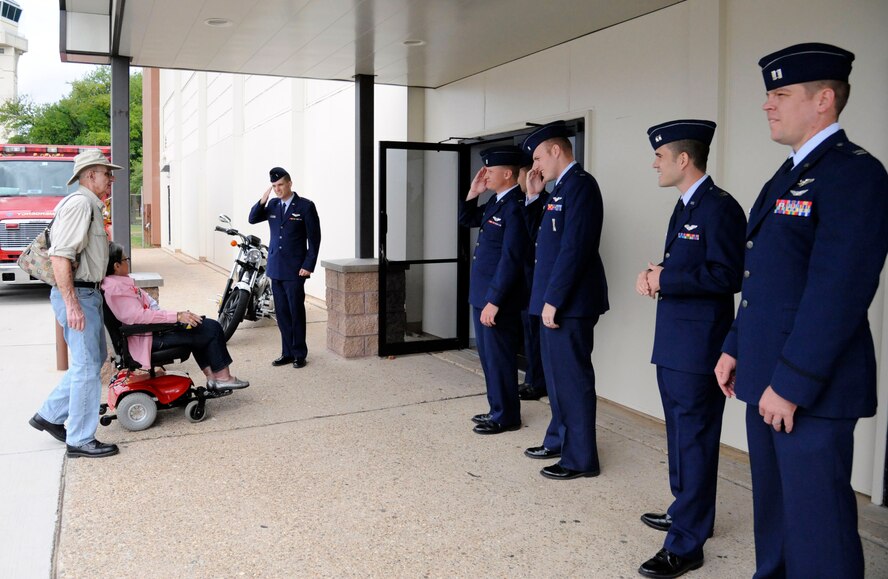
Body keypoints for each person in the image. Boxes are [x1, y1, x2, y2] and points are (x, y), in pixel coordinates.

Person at [714, 43, 888, 578]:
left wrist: (791, 383)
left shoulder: (854, 174)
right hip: (766, 375)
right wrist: (735, 347)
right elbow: (764, 278)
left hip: (808, 386)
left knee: (818, 526)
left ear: (824, 100)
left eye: (781, 94)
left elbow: (838, 290)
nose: (768, 105)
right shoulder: (787, 175)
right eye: (769, 95)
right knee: (777, 514)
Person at [634, 120, 746, 578]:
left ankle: (686, 544)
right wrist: (656, 273)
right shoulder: (686, 206)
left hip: (700, 347)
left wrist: (668, 279)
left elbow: (728, 275)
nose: (654, 163)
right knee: (681, 437)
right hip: (675, 342)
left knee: (695, 440)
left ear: (683, 160)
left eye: (660, 156)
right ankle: (688, 512)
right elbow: (688, 265)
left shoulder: (719, 208)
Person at [522, 120, 609, 479]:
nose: (537, 165)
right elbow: (540, 242)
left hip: (569, 304)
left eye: (539, 157)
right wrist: (532, 197)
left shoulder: (582, 187)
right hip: (554, 301)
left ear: (557, 150)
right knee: (557, 380)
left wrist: (553, 300)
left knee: (572, 381)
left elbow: (575, 249)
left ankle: (580, 459)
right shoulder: (559, 191)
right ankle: (559, 439)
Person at [28, 149, 121, 458]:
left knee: (91, 362)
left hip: (86, 293)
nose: (111, 178)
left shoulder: (90, 205)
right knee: (85, 368)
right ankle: (80, 439)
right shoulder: (81, 204)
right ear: (89, 175)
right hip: (78, 294)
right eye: (107, 173)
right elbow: (60, 256)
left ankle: (50, 415)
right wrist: (72, 304)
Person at [102, 242, 249, 390]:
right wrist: (176, 317)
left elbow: (147, 306)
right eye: (125, 259)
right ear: (116, 266)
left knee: (196, 324)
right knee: (212, 328)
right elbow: (138, 316)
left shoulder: (118, 283)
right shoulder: (115, 288)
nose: (128, 261)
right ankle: (223, 378)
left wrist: (177, 317)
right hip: (145, 338)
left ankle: (213, 378)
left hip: (147, 333)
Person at [460, 146, 531, 435]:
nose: (485, 174)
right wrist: (473, 191)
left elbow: (511, 258)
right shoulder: (495, 201)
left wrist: (494, 300)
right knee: (489, 357)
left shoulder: (516, 205)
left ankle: (506, 416)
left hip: (497, 298)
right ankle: (497, 408)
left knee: (500, 358)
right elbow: (466, 219)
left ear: (507, 174)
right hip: (483, 294)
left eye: (489, 171)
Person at [248, 167, 321, 369]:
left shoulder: (305, 206)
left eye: (280, 184)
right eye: (274, 186)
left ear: (290, 183)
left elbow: (314, 240)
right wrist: (263, 200)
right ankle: (287, 352)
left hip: (296, 269)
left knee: (295, 311)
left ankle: (299, 353)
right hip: (276, 268)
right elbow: (252, 218)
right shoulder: (272, 204)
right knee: (281, 313)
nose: (277, 189)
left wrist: (308, 265)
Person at [517, 159, 549, 403]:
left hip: (537, 279)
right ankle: (533, 379)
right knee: (529, 333)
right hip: (525, 279)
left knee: (536, 333)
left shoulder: (545, 201)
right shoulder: (523, 201)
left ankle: (537, 382)